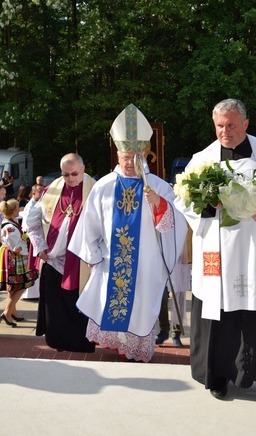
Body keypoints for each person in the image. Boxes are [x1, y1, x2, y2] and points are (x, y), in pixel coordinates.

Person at [175, 98, 256, 406]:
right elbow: (182, 199)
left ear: (245, 124)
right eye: (219, 125)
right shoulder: (203, 158)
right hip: (220, 253)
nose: (224, 131)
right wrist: (206, 204)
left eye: (231, 125)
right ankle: (218, 376)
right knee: (220, 317)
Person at [68, 104, 187, 362]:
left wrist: (159, 204)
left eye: (136, 158)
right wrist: (94, 255)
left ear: (144, 155)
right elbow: (90, 223)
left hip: (146, 264)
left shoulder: (157, 185)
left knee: (142, 307)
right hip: (112, 262)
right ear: (118, 155)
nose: (131, 163)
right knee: (111, 303)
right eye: (125, 158)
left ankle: (137, 349)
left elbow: (177, 223)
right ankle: (118, 348)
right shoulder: (104, 186)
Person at [25, 153, 96, 352]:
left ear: (83, 169)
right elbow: (31, 222)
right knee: (55, 306)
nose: (71, 178)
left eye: (75, 173)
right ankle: (57, 342)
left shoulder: (95, 191)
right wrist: (39, 247)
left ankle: (81, 344)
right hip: (54, 258)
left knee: (78, 304)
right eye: (66, 175)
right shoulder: (52, 191)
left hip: (82, 260)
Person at [0, 199, 38, 327]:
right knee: (22, 284)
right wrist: (27, 244)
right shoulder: (10, 227)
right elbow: (17, 247)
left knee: (14, 286)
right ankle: (7, 312)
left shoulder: (10, 222)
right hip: (15, 258)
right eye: (18, 208)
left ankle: (12, 311)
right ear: (14, 211)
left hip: (13, 257)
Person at [21, 183, 44, 300]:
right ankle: (31, 293)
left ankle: (36, 292)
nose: (42, 193)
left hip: (39, 239)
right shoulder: (30, 206)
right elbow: (27, 225)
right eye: (39, 191)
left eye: (42, 190)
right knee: (33, 267)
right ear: (33, 193)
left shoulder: (40, 204)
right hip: (33, 240)